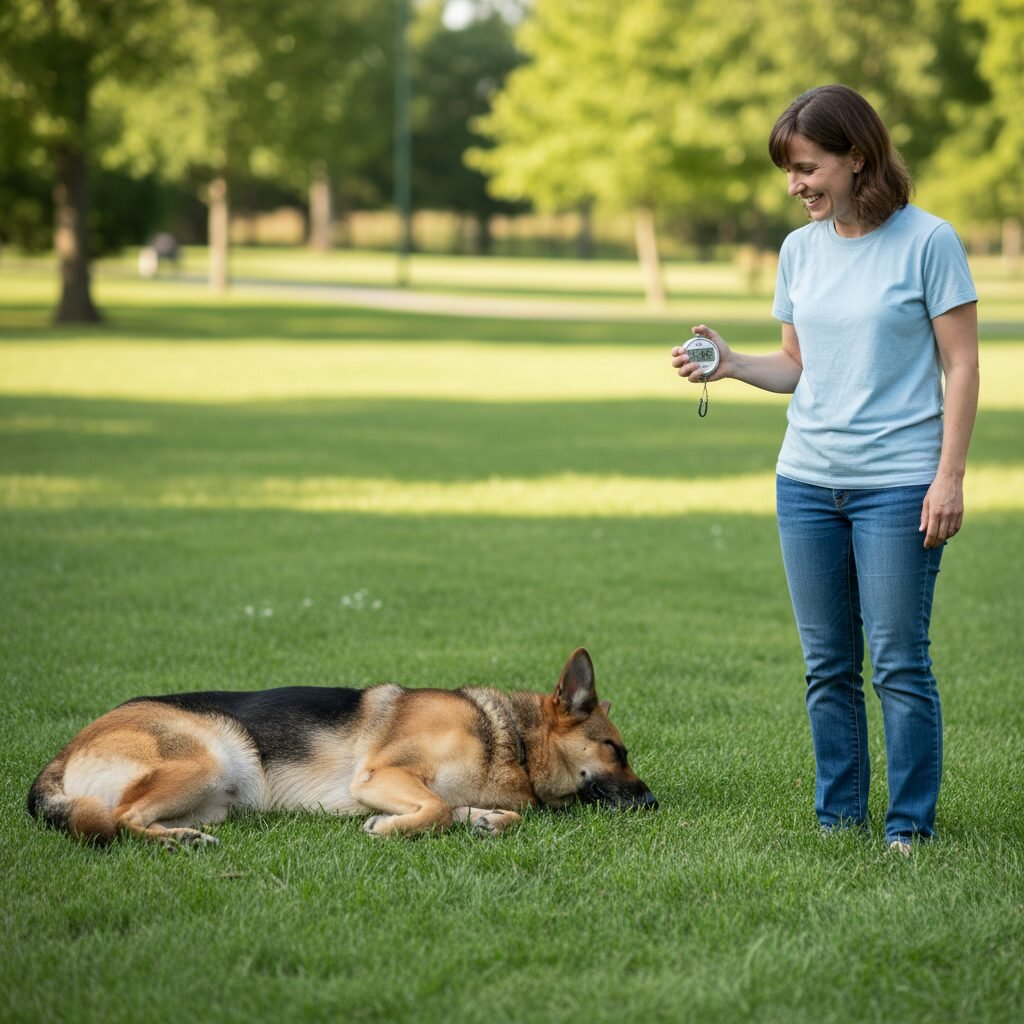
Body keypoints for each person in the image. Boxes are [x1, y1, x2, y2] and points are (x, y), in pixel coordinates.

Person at [671, 84, 979, 856]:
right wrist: (733, 364)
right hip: (806, 482)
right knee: (827, 666)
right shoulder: (798, 251)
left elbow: (963, 366)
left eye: (807, 168)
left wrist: (949, 477)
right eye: (789, 171)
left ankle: (908, 827)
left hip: (899, 484)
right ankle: (839, 820)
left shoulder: (929, 241)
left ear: (858, 158)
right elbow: (797, 365)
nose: (794, 185)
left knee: (899, 662)